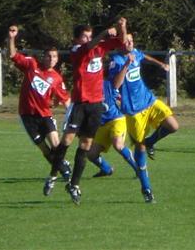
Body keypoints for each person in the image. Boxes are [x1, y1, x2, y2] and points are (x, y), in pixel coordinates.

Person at [45, 18, 127, 204]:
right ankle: (52, 176)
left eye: (89, 35)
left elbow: (121, 43)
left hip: (96, 104)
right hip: (80, 103)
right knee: (66, 141)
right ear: (76, 40)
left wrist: (122, 27)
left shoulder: (100, 48)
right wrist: (104, 33)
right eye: (84, 36)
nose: (87, 39)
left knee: (85, 146)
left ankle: (74, 185)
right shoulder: (77, 51)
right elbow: (90, 45)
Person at [109, 33, 180, 203]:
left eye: (132, 41)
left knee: (173, 125)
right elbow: (115, 85)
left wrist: (160, 64)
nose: (131, 44)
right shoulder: (116, 60)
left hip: (149, 101)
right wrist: (126, 64)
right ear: (120, 44)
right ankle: (146, 188)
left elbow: (143, 56)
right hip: (133, 112)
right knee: (139, 149)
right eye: (127, 41)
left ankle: (151, 142)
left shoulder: (135, 53)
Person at [7, 26, 72, 191]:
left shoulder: (56, 78)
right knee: (44, 149)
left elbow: (66, 99)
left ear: (57, 59)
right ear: (43, 57)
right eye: (49, 56)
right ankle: (61, 168)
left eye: (54, 56)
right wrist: (12, 38)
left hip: (45, 115)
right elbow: (13, 55)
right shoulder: (31, 65)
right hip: (27, 116)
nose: (51, 59)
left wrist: (71, 117)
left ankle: (59, 172)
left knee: (56, 144)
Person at [87, 78, 139, 178]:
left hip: (116, 119)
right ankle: (106, 169)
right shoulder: (86, 88)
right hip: (102, 124)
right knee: (91, 154)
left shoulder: (108, 84)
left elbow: (119, 96)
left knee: (118, 145)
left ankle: (139, 169)